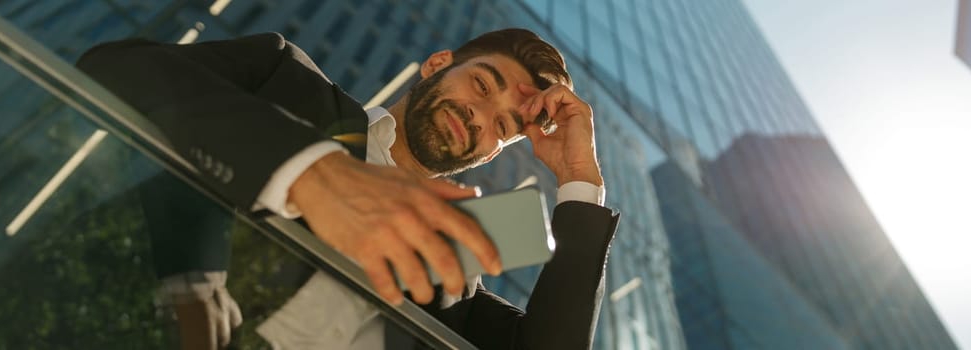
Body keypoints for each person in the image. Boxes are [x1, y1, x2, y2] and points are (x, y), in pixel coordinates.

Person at [76, 28, 618, 349]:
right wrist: (313, 172)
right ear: (437, 65)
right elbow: (115, 69)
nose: (479, 119)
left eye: (502, 127)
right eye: (481, 86)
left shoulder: (455, 280)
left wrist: (579, 178)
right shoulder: (283, 78)